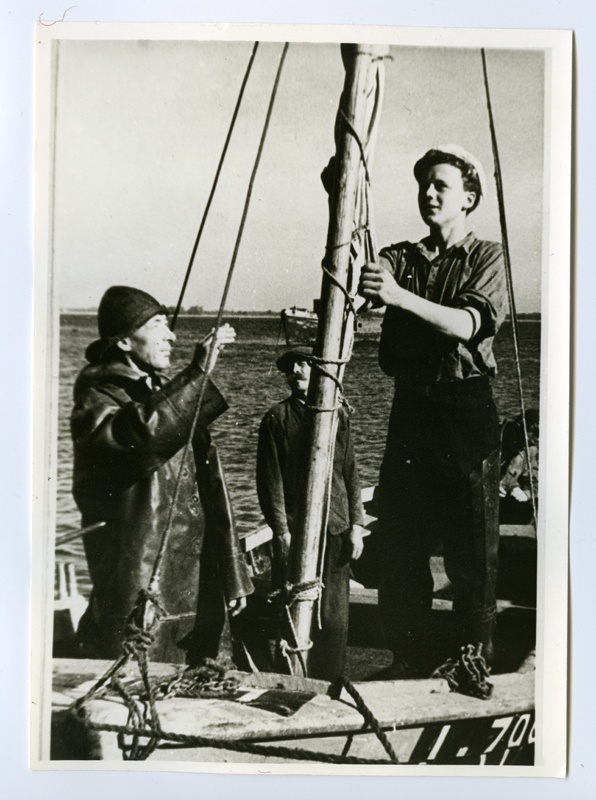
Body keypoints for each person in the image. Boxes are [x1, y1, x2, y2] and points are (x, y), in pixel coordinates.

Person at [359, 145, 507, 678]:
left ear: (468, 198)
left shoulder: (488, 257)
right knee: (401, 547)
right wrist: (340, 199)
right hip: (411, 412)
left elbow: (467, 324)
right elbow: (360, 278)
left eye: (441, 184)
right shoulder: (399, 257)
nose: (428, 193)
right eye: (424, 184)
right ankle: (408, 658)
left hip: (465, 412)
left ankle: (473, 660)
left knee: (471, 552)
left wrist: (398, 298)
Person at [71, 285, 253, 664]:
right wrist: (196, 374)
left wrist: (233, 572)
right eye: (157, 326)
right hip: (142, 595)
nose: (171, 336)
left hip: (198, 585)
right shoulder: (96, 398)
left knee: (206, 680)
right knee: (141, 681)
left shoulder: (166, 395)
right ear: (124, 342)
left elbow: (212, 486)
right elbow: (136, 439)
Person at [256, 346, 366, 681]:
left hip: (335, 527)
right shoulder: (277, 418)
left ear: (320, 371)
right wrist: (281, 531)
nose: (296, 371)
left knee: (334, 617)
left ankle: (331, 681)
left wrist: (357, 524)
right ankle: (293, 678)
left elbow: (350, 472)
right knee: (294, 607)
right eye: (291, 367)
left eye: (304, 364)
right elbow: (269, 482)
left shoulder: (338, 414)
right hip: (297, 532)